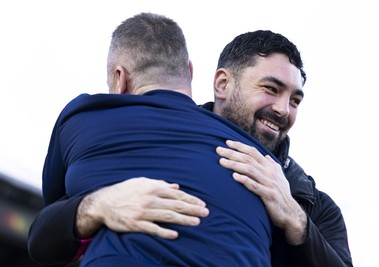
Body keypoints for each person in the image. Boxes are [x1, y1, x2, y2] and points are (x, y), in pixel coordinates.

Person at [28, 22, 353, 267]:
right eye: (271, 88)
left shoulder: (313, 205)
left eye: (295, 99)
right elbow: (42, 237)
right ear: (222, 83)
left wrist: (296, 221)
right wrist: (96, 206)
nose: (283, 109)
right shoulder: (150, 134)